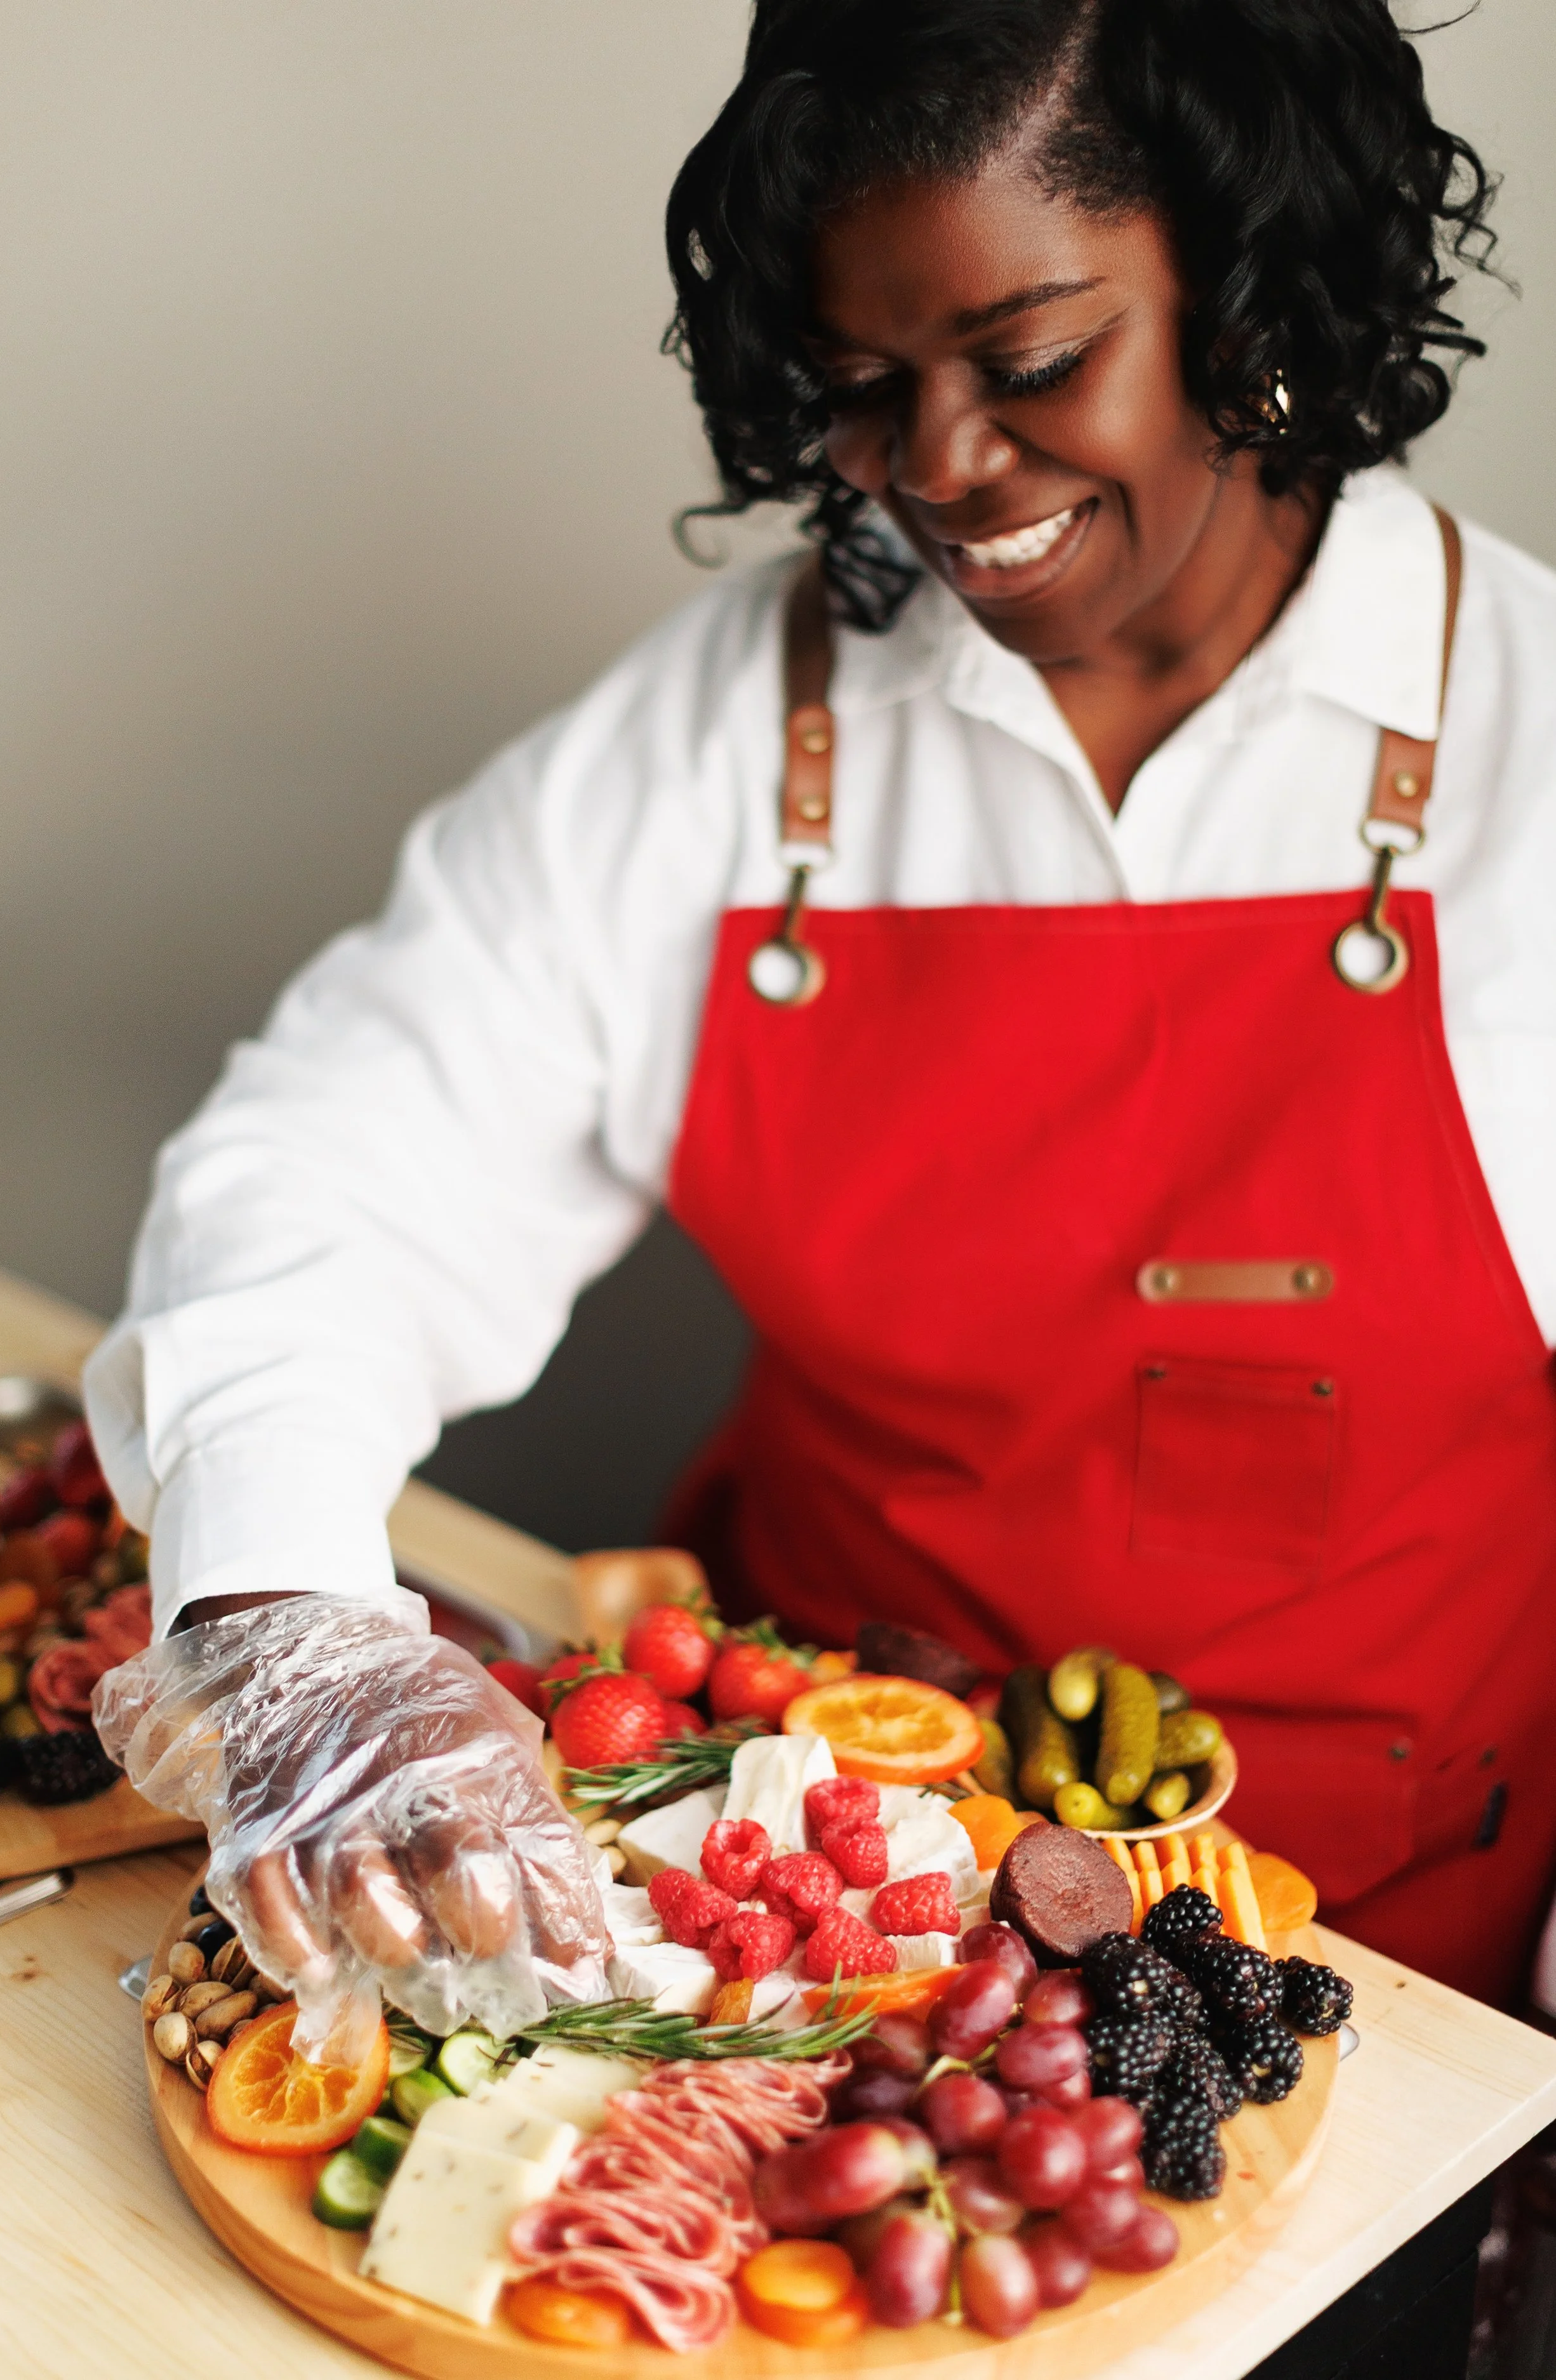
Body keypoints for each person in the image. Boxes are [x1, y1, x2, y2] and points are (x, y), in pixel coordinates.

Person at [89, 0, 1556, 2024]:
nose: (937, 474)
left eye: (1030, 360)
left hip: (1393, 1970)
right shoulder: (736, 724)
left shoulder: (1528, 745)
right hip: (798, 1906)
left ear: (1253, 268)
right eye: (863, 384)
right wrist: (290, 1630)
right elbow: (347, 1152)